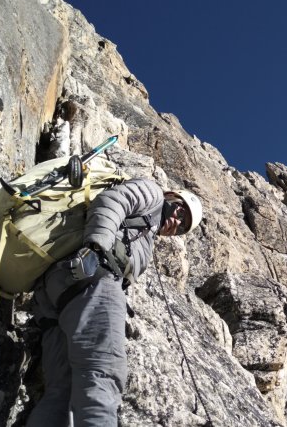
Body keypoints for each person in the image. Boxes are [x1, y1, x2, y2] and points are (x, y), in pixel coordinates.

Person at [26, 178, 202, 426]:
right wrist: (96, 248)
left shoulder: (147, 242)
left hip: (55, 296)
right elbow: (113, 200)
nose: (177, 222)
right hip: (89, 276)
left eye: (183, 226)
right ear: (172, 196)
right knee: (104, 370)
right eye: (180, 212)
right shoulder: (151, 193)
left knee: (62, 391)